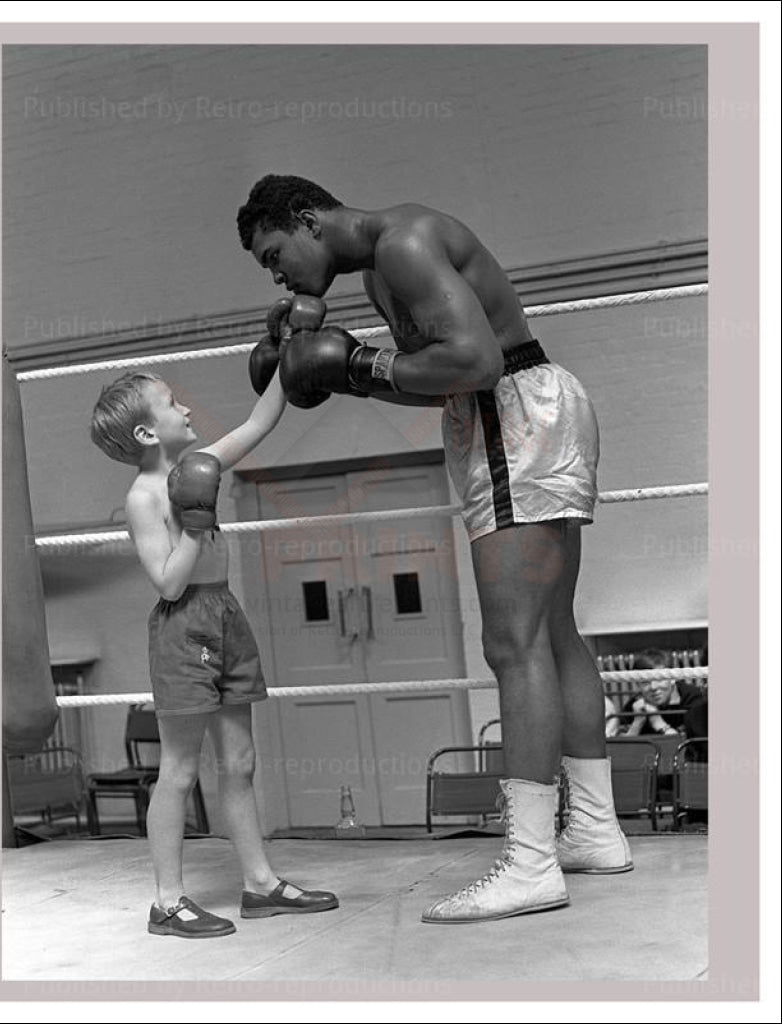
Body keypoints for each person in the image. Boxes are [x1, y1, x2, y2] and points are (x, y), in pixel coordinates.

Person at [237, 174, 632, 925]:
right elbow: (436, 378)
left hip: (508, 415)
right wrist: (350, 374)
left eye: (274, 254)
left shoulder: (405, 244)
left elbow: (475, 364)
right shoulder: (384, 267)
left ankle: (529, 863)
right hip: (517, 413)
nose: (278, 273)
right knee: (552, 632)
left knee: (511, 644)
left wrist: (358, 366)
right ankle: (595, 829)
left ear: (309, 219)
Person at [90, 368, 338, 937]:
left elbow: (258, 422)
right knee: (179, 769)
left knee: (241, 761)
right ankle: (168, 901)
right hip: (184, 627)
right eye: (172, 404)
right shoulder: (144, 497)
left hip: (226, 613)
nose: (187, 410)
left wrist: (285, 362)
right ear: (148, 434)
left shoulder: (199, 463)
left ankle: (260, 884)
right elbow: (168, 584)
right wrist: (197, 524)